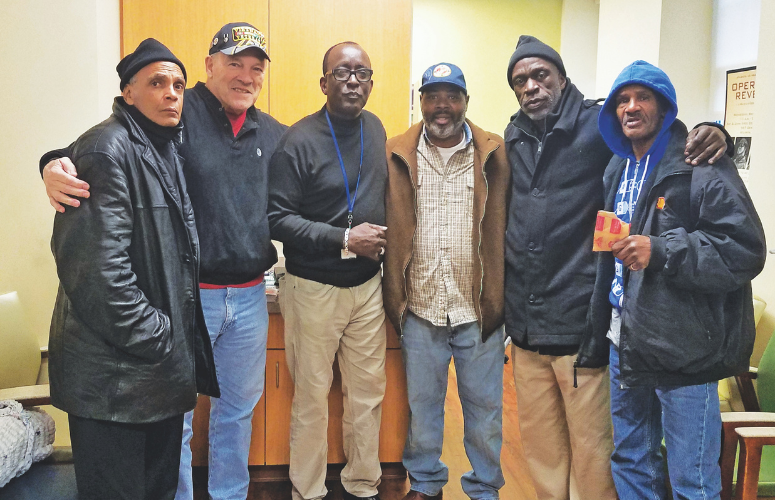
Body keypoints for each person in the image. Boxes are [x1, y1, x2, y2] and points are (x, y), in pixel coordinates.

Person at [40, 22, 286, 500]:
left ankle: (228, 495)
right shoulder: (175, 116)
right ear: (210, 66)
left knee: (234, 410)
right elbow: (92, 155)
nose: (245, 76)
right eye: (233, 63)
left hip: (249, 297)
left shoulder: (272, 132)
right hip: (184, 302)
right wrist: (52, 163)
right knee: (176, 424)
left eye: (255, 68)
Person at [503, 35, 733, 500]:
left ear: (563, 78)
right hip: (533, 329)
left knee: (597, 460)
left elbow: (663, 135)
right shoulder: (513, 136)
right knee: (547, 456)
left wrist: (716, 129)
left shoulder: (597, 126)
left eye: (541, 75)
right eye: (520, 81)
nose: (531, 86)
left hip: (583, 328)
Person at [47, 38, 219, 500]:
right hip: (115, 385)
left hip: (150, 378)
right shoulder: (108, 149)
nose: (171, 93)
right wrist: (161, 336)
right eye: (157, 82)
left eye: (179, 85)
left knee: (155, 491)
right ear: (128, 92)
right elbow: (98, 275)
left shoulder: (161, 144)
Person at [588, 59, 766, 499]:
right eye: (622, 101)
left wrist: (662, 249)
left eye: (642, 97)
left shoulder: (701, 164)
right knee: (631, 459)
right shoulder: (616, 167)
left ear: (664, 108)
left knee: (692, 477)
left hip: (684, 347)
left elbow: (744, 250)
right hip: (624, 338)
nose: (631, 107)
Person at [267, 42, 388, 500]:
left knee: (366, 395)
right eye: (341, 72)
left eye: (362, 73)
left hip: (367, 287)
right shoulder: (297, 141)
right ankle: (309, 490)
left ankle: (362, 484)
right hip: (313, 288)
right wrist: (342, 238)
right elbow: (276, 219)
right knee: (313, 400)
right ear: (324, 83)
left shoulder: (375, 129)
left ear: (371, 83)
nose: (353, 80)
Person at [384, 63, 510, 500]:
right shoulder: (396, 151)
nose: (442, 106)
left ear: (466, 102)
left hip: (477, 308)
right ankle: (425, 482)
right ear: (421, 101)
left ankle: (483, 487)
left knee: (485, 411)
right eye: (433, 96)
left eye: (452, 96)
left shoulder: (495, 151)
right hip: (419, 307)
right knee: (423, 409)